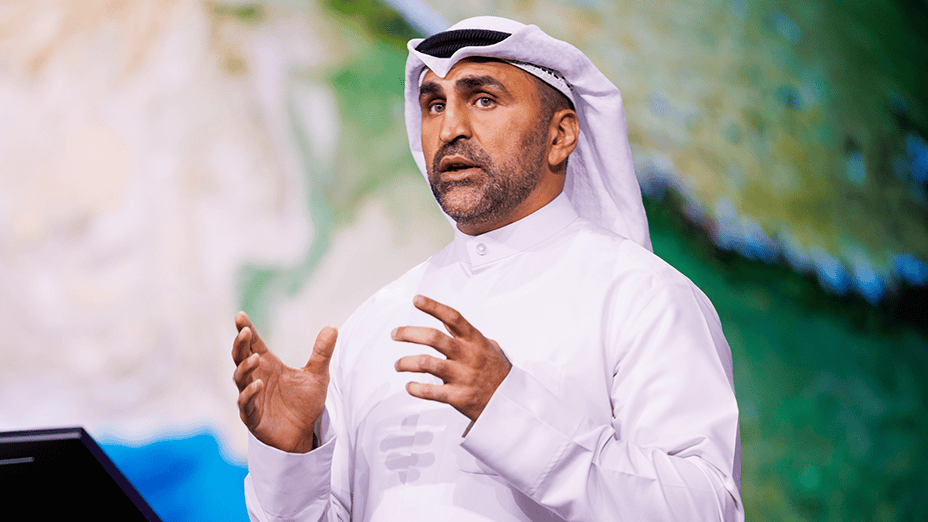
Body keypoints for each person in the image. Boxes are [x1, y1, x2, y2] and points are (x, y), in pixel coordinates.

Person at [232, 15, 743, 522]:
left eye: (483, 99)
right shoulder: (375, 322)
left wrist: (509, 411)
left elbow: (705, 509)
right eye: (435, 104)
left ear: (560, 136)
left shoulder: (642, 295)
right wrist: (293, 457)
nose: (450, 128)